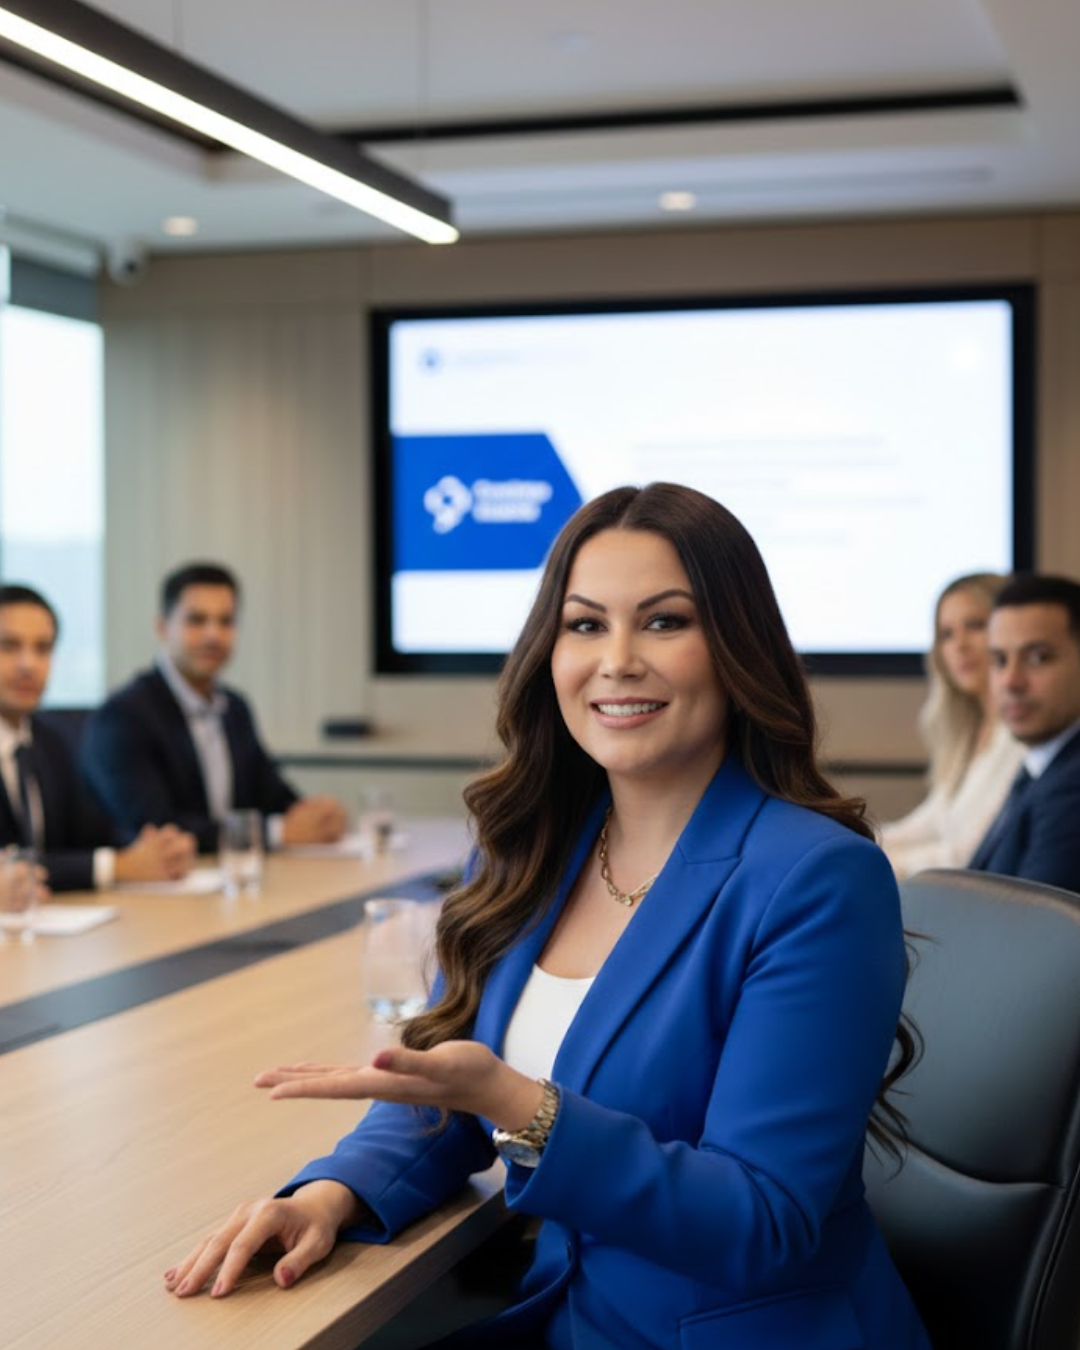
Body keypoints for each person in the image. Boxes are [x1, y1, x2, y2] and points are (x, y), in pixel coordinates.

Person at [164, 486, 929, 1349]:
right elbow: (450, 1087)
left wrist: (521, 1105)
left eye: (666, 622)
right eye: (586, 624)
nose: (619, 660)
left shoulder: (817, 879)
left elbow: (762, 1218)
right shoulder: (532, 848)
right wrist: (327, 1195)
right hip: (570, 1316)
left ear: (735, 648)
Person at [82, 562, 348, 855]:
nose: (213, 635)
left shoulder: (234, 708)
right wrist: (276, 832)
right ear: (162, 627)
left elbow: (271, 794)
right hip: (159, 890)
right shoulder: (124, 715)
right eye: (196, 620)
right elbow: (156, 826)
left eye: (226, 621)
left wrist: (313, 815)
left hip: (231, 879)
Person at [0, 584, 195, 891]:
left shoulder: (48, 741)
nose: (28, 664)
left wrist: (154, 850)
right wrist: (116, 865)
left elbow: (93, 834)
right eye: (8, 646)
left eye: (43, 649)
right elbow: (8, 865)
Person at [880, 572, 1025, 879]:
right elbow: (929, 823)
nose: (959, 645)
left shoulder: (1022, 735)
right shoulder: (969, 731)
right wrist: (850, 840)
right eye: (946, 634)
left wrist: (868, 862)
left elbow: (966, 855)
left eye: (975, 625)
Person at [968, 573, 1080, 892]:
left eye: (1038, 657)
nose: (1011, 681)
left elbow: (1034, 934)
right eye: (1000, 660)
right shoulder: (1044, 762)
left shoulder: (1072, 786)